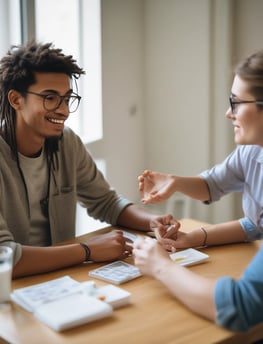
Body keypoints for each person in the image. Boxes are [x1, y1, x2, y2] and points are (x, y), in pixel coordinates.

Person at [0, 40, 164, 279]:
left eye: (67, 99)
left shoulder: (67, 142)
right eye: (50, 98)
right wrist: (87, 250)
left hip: (60, 277)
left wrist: (153, 222)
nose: (64, 110)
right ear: (16, 100)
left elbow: (105, 202)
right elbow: (4, 257)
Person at [133, 49, 263, 332]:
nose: (229, 113)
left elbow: (241, 306)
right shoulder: (253, 152)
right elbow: (253, 224)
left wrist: (161, 267)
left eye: (236, 102)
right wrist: (193, 236)